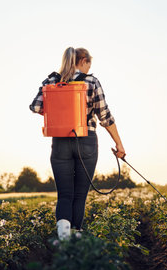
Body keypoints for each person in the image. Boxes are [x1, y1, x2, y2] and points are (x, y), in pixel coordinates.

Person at [29, 47, 126, 240]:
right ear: (83, 61)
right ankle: (76, 236)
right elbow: (105, 116)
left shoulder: (51, 81)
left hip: (60, 143)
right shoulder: (91, 81)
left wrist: (58, 109)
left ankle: (63, 239)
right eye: (89, 64)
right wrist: (119, 146)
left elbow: (36, 107)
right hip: (86, 141)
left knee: (64, 194)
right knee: (80, 194)